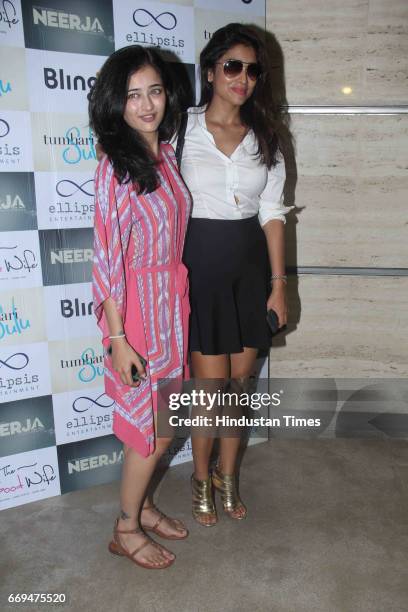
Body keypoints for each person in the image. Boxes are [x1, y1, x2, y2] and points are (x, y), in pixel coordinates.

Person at [177, 23, 294, 526]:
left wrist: (279, 284)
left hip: (249, 265)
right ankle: (200, 476)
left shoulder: (268, 138)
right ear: (210, 70)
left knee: (239, 386)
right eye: (232, 66)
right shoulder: (178, 128)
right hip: (198, 262)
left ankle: (228, 477)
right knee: (210, 391)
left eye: (252, 69)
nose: (242, 77)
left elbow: (272, 213)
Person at [90, 45, 191, 568]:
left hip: (172, 309)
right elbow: (107, 264)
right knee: (145, 434)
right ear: (116, 104)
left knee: (167, 423)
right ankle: (124, 528)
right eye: (132, 95)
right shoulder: (116, 169)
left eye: (154, 90)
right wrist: (118, 339)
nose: (147, 104)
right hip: (136, 319)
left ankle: (145, 505)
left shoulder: (167, 156)